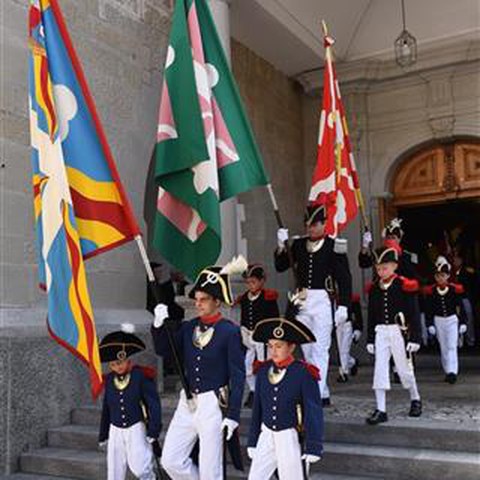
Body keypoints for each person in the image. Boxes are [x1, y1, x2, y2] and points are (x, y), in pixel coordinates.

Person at [151, 263, 245, 480]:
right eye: (197, 299)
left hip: (213, 402)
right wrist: (158, 325)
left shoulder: (229, 331)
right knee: (171, 460)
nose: (198, 303)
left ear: (217, 301)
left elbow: (238, 377)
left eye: (203, 299)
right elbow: (166, 351)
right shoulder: (189, 326)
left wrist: (233, 415)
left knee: (210, 469)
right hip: (188, 399)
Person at [274, 200, 352, 405]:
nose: (311, 227)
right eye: (309, 224)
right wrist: (281, 246)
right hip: (301, 300)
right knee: (306, 347)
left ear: (324, 223)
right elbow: (281, 266)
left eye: (315, 224)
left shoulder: (334, 245)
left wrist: (344, 305)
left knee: (320, 347)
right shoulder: (299, 244)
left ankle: (315, 394)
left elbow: (344, 278)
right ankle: (321, 388)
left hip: (322, 300)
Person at [247, 315, 323, 479]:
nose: (273, 351)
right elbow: (257, 409)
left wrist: (313, 446)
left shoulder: (303, 373)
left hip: (289, 436)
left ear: (291, 347)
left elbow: (313, 411)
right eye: (270, 346)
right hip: (266, 434)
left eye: (279, 346)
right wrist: (253, 439)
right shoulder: (263, 370)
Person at [366, 246, 423, 425]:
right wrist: (370, 338)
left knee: (404, 369)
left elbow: (414, 313)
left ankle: (415, 398)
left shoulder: (403, 285)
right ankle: (381, 409)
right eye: (378, 268)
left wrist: (415, 338)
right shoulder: (375, 288)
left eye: (384, 267)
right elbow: (372, 314)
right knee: (380, 369)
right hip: (381, 331)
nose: (381, 271)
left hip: (400, 331)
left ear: (394, 266)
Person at [98, 324, 162, 480]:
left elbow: (154, 405)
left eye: (120, 363)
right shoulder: (109, 381)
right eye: (113, 364)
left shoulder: (140, 376)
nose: (117, 367)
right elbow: (107, 408)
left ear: (127, 360)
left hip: (136, 427)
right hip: (115, 429)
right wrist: (103, 434)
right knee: (114, 471)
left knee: (141, 468)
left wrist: (154, 429)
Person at [236, 264, 280, 407]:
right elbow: (243, 317)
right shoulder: (244, 298)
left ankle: (266, 392)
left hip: (263, 339)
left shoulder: (268, 298)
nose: (250, 285)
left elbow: (274, 320)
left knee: (264, 366)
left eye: (253, 282)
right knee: (247, 366)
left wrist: (271, 339)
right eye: (248, 282)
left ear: (262, 281)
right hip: (249, 338)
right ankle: (254, 390)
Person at [424, 256, 467, 383]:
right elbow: (429, 310)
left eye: (443, 275)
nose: (440, 278)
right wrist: (429, 324)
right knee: (443, 347)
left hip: (452, 320)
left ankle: (453, 371)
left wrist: (463, 322)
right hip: (439, 320)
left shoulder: (454, 290)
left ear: (448, 276)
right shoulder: (432, 292)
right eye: (438, 276)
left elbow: (460, 307)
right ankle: (447, 370)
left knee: (452, 346)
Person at [452, 249, 478, 346]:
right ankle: (459, 341)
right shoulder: (450, 272)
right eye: (454, 259)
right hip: (454, 298)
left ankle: (470, 339)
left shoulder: (467, 271)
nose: (455, 261)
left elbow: (473, 285)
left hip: (465, 297)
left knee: (468, 317)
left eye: (457, 259)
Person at [336, 293, 363, 382]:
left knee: (344, 350)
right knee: (340, 350)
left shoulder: (351, 298)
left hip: (347, 325)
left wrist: (358, 329)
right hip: (337, 326)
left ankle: (343, 373)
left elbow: (358, 315)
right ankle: (352, 362)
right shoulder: (329, 298)